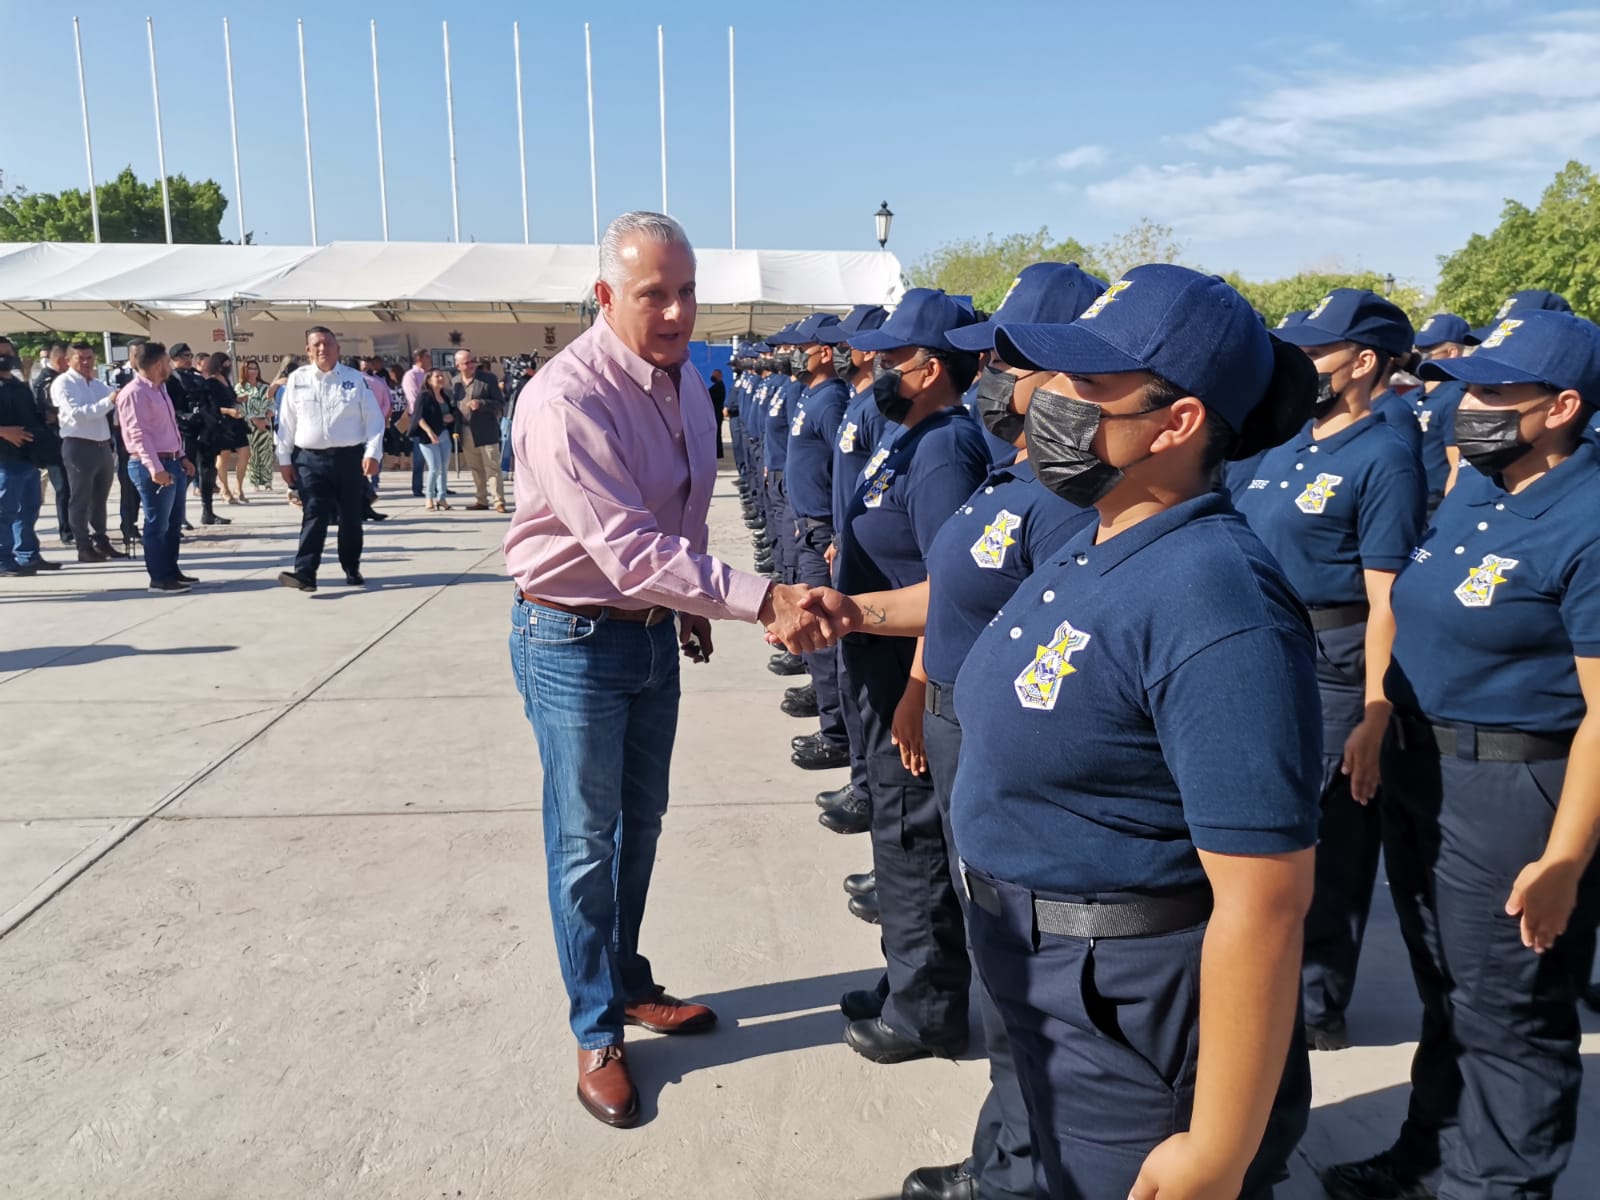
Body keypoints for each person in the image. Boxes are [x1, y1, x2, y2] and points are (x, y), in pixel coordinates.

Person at [945, 264, 1321, 1199]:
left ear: (1177, 422)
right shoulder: (1096, 531)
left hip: (1121, 1009)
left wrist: (1216, 1150)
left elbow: (1265, 903)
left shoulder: (1217, 598)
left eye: (1088, 385)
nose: (1051, 400)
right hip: (1034, 972)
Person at [502, 210, 840, 1130]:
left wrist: (693, 609)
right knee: (583, 843)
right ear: (606, 296)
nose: (678, 311)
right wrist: (759, 598)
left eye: (688, 292)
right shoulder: (564, 399)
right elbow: (622, 546)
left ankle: (626, 976)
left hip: (652, 633)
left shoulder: (687, 383)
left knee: (639, 825)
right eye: (654, 293)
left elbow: (681, 516)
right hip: (571, 638)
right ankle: (596, 1026)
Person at [820, 261, 1106, 1200]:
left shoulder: (1070, 499)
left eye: (1014, 360)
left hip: (991, 732)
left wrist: (923, 689)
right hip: (953, 715)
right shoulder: (1016, 472)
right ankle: (1008, 1154)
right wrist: (846, 610)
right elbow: (947, 595)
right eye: (995, 356)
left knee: (1020, 963)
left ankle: (1018, 1169)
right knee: (995, 949)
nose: (994, 374)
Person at [1322, 310, 1600, 1200]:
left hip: (1518, 787)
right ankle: (1432, 1155)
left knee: (1512, 1011)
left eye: (1492, 391)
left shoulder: (1588, 519)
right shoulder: (1483, 486)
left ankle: (1498, 1183)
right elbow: (1410, 607)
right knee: (1451, 986)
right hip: (1423, 768)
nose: (1466, 404)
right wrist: (1376, 712)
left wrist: (1563, 857)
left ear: (1561, 407)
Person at [1234, 288, 1426, 1053]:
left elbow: (1388, 601)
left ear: (1365, 362)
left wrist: (1377, 712)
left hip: (1335, 665)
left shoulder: (1384, 453)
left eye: (1318, 350)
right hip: (1261, 648)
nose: (1303, 361)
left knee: (1330, 837)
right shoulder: (1288, 439)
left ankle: (1316, 1001)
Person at [831, 288, 991, 1065]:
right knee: (897, 835)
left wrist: (917, 689)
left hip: (909, 674)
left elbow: (951, 585)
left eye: (890, 359)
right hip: (883, 666)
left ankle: (924, 1009)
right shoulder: (911, 437)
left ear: (930, 370)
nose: (875, 368)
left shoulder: (946, 450)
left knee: (911, 834)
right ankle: (907, 978)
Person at [810, 306, 890, 833]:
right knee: (847, 673)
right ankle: (862, 779)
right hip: (845, 544)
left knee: (868, 688)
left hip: (873, 566)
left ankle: (869, 789)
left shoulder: (875, 406)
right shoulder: (853, 400)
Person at [780, 314, 853, 771]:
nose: (794, 353)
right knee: (814, 630)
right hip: (809, 524)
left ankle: (837, 735)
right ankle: (830, 716)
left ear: (825, 351)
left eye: (802, 345)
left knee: (823, 626)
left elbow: (846, 473)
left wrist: (836, 529)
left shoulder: (831, 402)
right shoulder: (814, 394)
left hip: (824, 530)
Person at [274, 327, 385, 592]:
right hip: (309, 459)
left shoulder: (355, 380)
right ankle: (305, 572)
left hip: (348, 458)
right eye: (317, 345)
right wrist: (284, 458)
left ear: (338, 349)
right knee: (314, 512)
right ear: (308, 351)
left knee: (350, 516)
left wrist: (373, 453)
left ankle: (351, 565)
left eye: (327, 344)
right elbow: (286, 422)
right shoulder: (297, 380)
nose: (322, 349)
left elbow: (374, 420)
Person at [117, 342, 196, 593]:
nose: (170, 366)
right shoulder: (134, 393)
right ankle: (159, 578)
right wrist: (155, 468)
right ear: (158, 363)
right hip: (151, 463)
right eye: (167, 361)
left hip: (172, 459)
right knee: (157, 524)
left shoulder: (159, 389)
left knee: (173, 524)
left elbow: (168, 428)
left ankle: (172, 571)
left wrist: (182, 456)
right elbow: (138, 435)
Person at [52, 341, 127, 563]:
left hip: (102, 444)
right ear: (68, 360)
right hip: (78, 444)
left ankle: (101, 540)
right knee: (80, 499)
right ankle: (83, 545)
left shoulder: (96, 384)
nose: (86, 362)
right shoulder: (63, 383)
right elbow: (78, 414)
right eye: (80, 358)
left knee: (99, 498)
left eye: (89, 358)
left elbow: (114, 408)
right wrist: (109, 401)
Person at [1409, 312, 1476, 515]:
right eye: (1418, 348)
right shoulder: (1413, 395)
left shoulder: (1457, 396)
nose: (1419, 354)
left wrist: (1451, 510)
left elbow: (1458, 462)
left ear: (1452, 352)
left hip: (1434, 506)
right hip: (1409, 499)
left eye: (1427, 350)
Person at [0, 335, 55, 577]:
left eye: (8, 353)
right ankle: (3, 560)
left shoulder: (18, 384)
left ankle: (28, 555)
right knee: (4, 511)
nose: (5, 359)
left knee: (29, 508)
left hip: (27, 457)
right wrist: (3, 432)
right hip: (4, 459)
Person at [452, 349, 506, 512]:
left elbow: (499, 403)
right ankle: (481, 499)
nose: (471, 365)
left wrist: (481, 403)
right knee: (475, 467)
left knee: (492, 466)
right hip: (466, 429)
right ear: (458, 366)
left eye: (472, 361)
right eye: (466, 363)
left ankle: (498, 501)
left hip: (486, 429)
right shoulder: (455, 383)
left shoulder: (488, 379)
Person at [31, 341, 70, 546]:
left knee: (72, 486)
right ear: (61, 360)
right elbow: (45, 413)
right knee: (63, 486)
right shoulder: (45, 381)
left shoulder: (63, 378)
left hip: (66, 438)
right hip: (53, 442)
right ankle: (66, 529)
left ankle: (72, 526)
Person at [203, 353, 251, 506]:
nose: (228, 366)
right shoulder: (210, 383)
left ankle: (239, 486)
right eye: (225, 364)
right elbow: (212, 406)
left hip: (235, 421)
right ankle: (225, 489)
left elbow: (231, 397)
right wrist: (228, 411)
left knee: (245, 452)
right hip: (222, 422)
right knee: (223, 456)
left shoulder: (226, 381)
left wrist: (240, 399)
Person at [415, 368, 454, 511]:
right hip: (428, 437)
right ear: (429, 379)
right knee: (435, 468)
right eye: (437, 376)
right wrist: (429, 432)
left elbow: (450, 411)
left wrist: (451, 417)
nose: (441, 379)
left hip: (444, 434)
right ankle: (429, 498)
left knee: (443, 468)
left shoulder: (445, 396)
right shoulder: (424, 396)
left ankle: (442, 498)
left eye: (442, 376)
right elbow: (418, 417)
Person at [237, 359, 275, 493]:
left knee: (266, 453)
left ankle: (267, 481)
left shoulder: (265, 387)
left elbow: (272, 403)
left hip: (265, 423)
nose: (253, 371)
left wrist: (268, 414)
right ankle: (254, 482)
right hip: (249, 425)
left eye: (255, 368)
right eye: (250, 368)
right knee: (252, 454)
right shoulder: (240, 387)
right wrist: (254, 419)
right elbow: (240, 407)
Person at [403, 347, 431, 498]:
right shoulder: (411, 376)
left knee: (438, 457)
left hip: (434, 419)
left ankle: (440, 486)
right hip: (420, 419)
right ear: (419, 358)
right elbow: (413, 400)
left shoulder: (429, 375)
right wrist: (422, 418)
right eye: (427, 356)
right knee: (419, 457)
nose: (429, 359)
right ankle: (417, 487)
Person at [708, 367, 726, 458]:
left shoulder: (719, 387)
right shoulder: (716, 386)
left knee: (717, 434)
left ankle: (718, 452)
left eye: (714, 375)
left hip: (717, 413)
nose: (712, 376)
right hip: (715, 412)